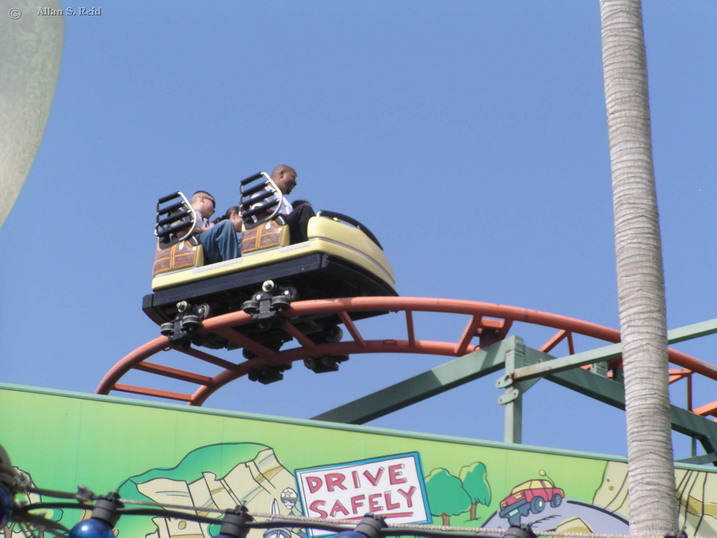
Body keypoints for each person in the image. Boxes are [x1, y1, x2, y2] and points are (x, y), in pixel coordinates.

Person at [187, 191, 241, 264]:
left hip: (210, 248)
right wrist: (203, 230)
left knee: (241, 244)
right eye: (213, 204)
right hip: (194, 242)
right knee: (226, 224)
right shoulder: (185, 211)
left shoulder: (208, 222)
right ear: (202, 199)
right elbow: (179, 232)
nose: (214, 210)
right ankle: (233, 266)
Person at [269, 165, 315, 243]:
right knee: (304, 209)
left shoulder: (284, 201)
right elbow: (257, 213)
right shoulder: (264, 190)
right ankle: (310, 242)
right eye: (293, 177)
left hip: (287, 228)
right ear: (281, 174)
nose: (295, 183)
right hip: (275, 226)